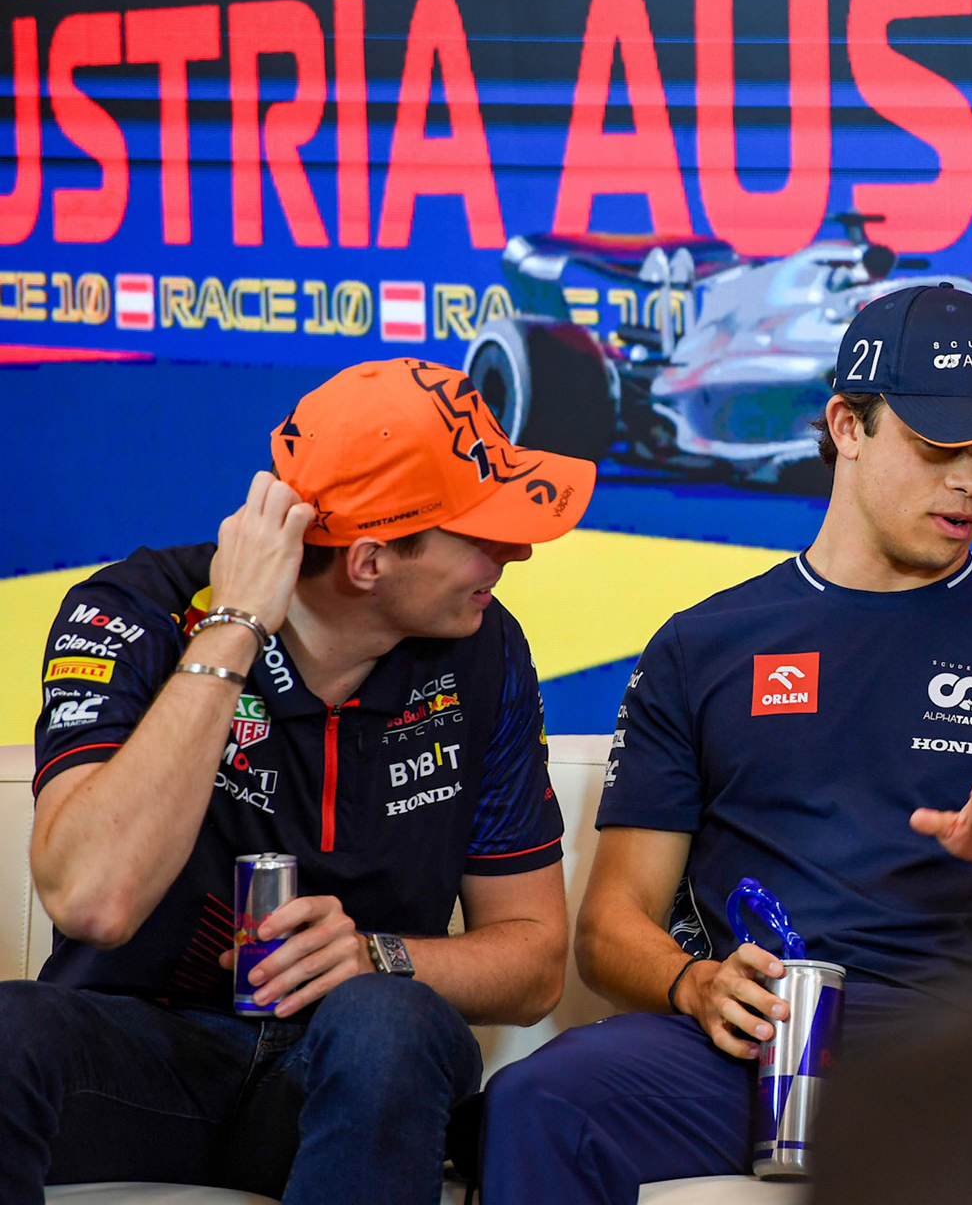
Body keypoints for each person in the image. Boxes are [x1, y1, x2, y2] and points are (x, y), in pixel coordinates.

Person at [481, 283, 972, 1200]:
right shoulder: (702, 644)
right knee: (538, 1101)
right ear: (847, 425)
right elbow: (608, 928)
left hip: (954, 1060)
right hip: (745, 1040)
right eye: (940, 447)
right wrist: (694, 984)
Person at [1, 359, 594, 1203]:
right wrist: (235, 626)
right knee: (8, 1027)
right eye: (482, 533)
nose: (519, 550)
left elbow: (534, 964)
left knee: (388, 1018)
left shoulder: (485, 649)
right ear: (368, 562)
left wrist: (371, 956)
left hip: (349, 1074)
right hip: (141, 1066)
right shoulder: (135, 612)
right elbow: (94, 899)